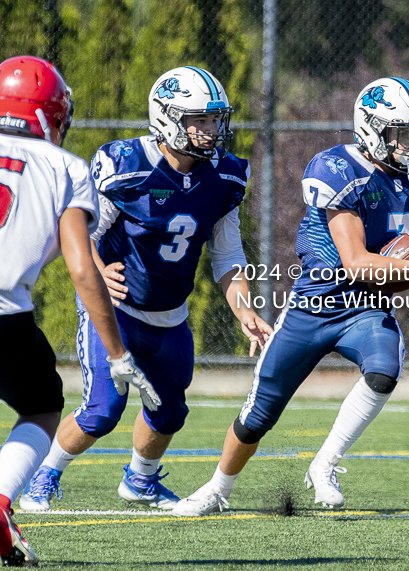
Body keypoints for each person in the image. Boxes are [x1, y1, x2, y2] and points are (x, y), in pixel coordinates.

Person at [172, 77, 409, 517]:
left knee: (385, 367)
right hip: (315, 304)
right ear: (372, 130)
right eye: (402, 134)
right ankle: (217, 489)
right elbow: (356, 262)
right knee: (258, 413)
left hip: (367, 306)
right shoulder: (338, 170)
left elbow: (401, 237)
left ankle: (326, 464)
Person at [19, 65, 271, 512]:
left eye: (214, 119)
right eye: (199, 120)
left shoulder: (226, 176)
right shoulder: (125, 165)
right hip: (114, 308)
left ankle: (141, 480)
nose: (210, 130)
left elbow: (228, 255)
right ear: (167, 118)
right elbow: (82, 232)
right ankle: (46, 473)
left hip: (170, 314)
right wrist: (97, 269)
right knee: (102, 408)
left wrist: (245, 310)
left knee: (169, 411)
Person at [0, 55, 153, 566]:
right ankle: (1, 501)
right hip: (5, 315)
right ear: (49, 116)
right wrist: (116, 352)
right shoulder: (66, 167)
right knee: (42, 406)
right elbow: (83, 267)